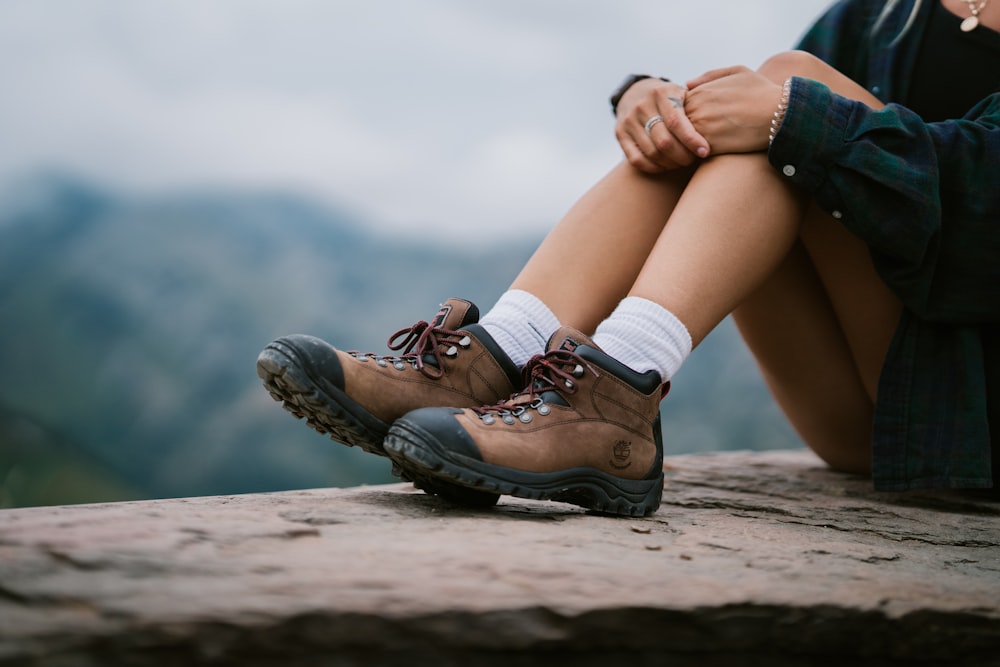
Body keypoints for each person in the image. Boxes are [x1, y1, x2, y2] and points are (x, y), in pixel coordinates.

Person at [258, 0, 1000, 517]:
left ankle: (613, 393)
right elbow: (760, 112)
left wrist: (790, 115)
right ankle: (489, 362)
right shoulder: (885, 14)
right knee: (764, 114)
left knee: (792, 106)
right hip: (871, 411)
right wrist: (653, 102)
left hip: (976, 411)